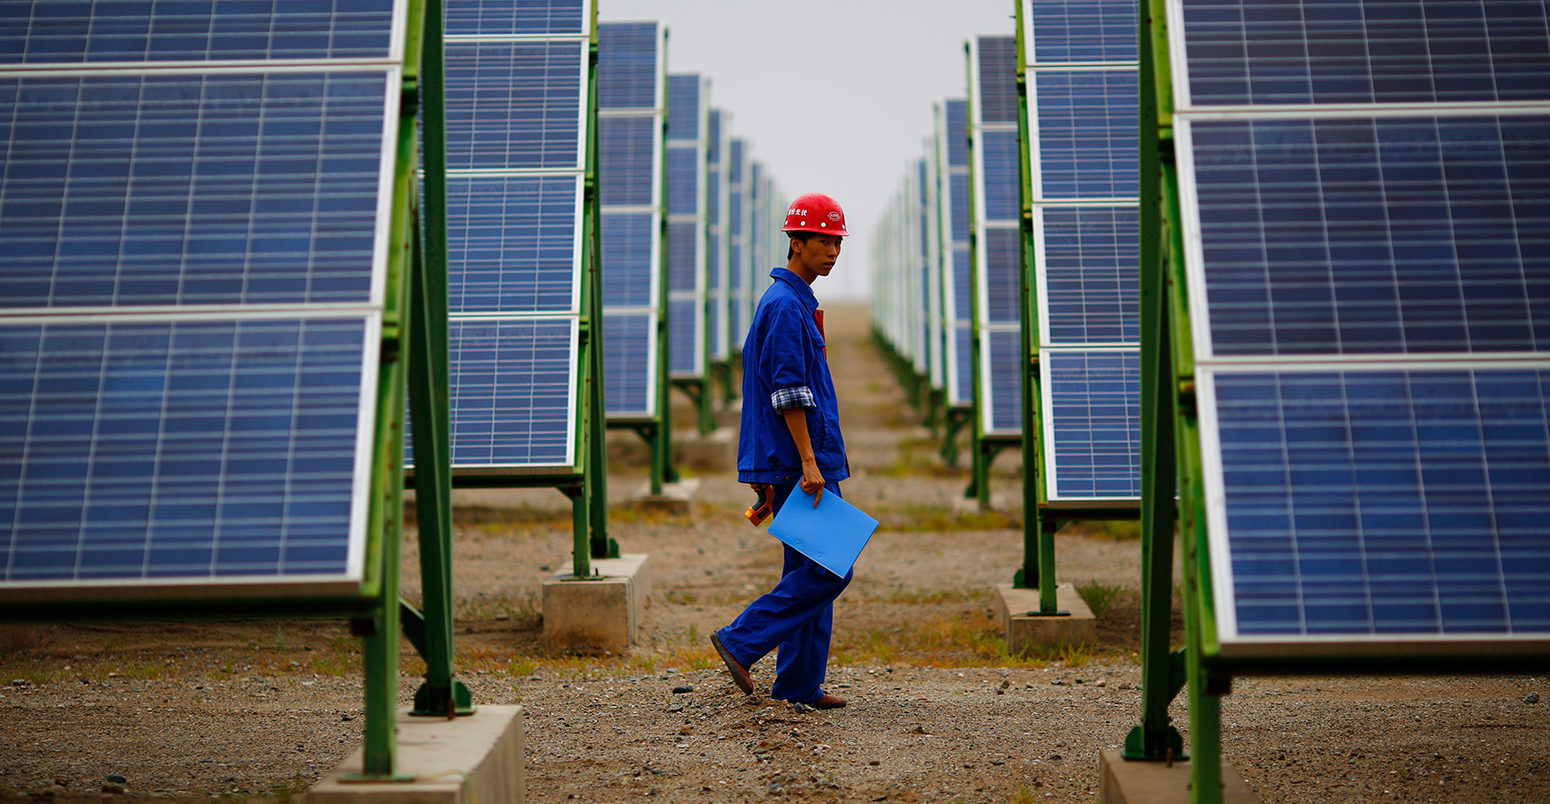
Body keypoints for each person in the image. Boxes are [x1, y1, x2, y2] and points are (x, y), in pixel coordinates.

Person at [711, 192, 852, 710]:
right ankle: (740, 640)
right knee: (830, 568)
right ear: (796, 241)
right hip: (798, 462)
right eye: (821, 240)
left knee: (808, 572)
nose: (832, 251)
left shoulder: (794, 302)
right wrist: (810, 462)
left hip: (796, 459)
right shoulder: (786, 305)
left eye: (837, 242)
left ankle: (798, 685)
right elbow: (789, 391)